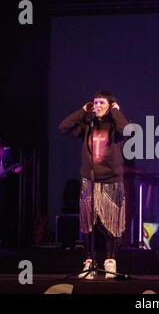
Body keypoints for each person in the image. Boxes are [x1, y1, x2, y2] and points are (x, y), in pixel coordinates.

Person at [59, 90, 129, 279]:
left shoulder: (115, 125)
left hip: (111, 181)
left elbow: (126, 130)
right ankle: (89, 261)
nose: (97, 106)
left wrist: (115, 111)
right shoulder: (87, 124)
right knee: (88, 223)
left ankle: (110, 261)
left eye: (102, 103)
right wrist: (82, 111)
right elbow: (64, 126)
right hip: (89, 181)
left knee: (111, 225)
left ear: (110, 106)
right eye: (95, 102)